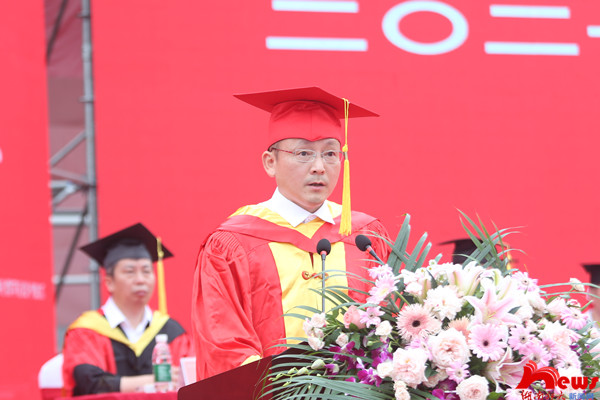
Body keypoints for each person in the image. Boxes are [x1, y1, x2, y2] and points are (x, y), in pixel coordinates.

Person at [192, 87, 391, 380]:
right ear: (270, 162)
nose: (319, 167)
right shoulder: (232, 244)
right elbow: (224, 343)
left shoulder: (365, 236)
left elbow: (390, 324)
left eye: (330, 153)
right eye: (303, 153)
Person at [62, 223, 193, 395]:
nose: (140, 280)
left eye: (146, 271)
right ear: (109, 282)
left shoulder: (172, 332)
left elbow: (191, 382)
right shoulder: (86, 331)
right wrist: (152, 381)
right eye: (130, 272)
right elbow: (87, 383)